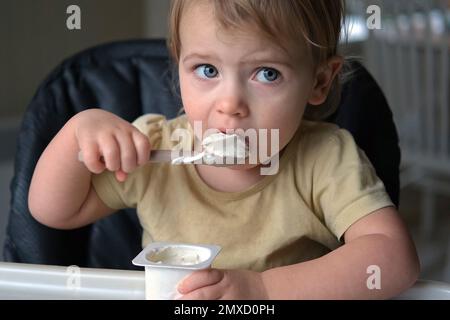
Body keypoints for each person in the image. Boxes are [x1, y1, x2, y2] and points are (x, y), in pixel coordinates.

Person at [28, 0, 419, 299]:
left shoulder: (326, 158)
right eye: (207, 70)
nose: (230, 103)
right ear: (178, 65)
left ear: (318, 82)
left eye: (267, 73)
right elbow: (54, 211)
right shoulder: (152, 148)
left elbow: (393, 259)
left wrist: (262, 291)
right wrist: (76, 134)